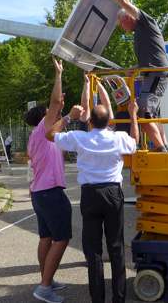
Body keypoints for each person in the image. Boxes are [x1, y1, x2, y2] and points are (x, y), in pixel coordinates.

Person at [47, 100, 139, 303]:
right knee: (116, 247)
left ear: (90, 122)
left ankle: (97, 299)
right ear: (109, 122)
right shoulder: (118, 138)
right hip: (113, 192)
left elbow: (49, 134)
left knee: (93, 250)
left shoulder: (79, 138)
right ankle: (119, 298)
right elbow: (134, 142)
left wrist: (69, 116)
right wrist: (133, 115)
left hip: (90, 194)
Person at [97, 0, 168, 152]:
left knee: (143, 113)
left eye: (121, 23)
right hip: (150, 74)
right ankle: (165, 147)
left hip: (155, 74)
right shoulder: (140, 34)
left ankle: (162, 150)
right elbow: (151, 55)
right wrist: (135, 69)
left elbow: (124, 2)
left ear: (129, 17)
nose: (121, 27)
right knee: (153, 115)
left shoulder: (146, 21)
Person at [25, 57, 71, 303]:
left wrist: (65, 110)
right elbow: (55, 102)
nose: (57, 110)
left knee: (46, 237)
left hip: (39, 193)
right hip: (50, 192)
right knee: (62, 238)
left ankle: (47, 278)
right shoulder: (45, 127)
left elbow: (58, 106)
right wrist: (58, 73)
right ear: (44, 116)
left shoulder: (38, 135)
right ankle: (44, 287)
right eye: (52, 112)